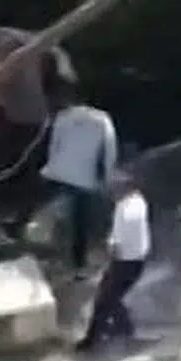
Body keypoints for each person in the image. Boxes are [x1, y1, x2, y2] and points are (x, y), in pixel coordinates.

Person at [38, 77, 119, 278]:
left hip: (58, 173)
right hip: (83, 179)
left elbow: (53, 148)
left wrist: (49, 170)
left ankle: (45, 249)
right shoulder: (102, 119)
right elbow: (110, 150)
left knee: (53, 209)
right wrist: (107, 177)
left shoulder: (62, 117)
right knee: (80, 222)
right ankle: (78, 264)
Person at [75, 171, 151, 352]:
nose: (112, 191)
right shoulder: (135, 201)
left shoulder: (128, 212)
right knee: (111, 296)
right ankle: (123, 328)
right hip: (134, 261)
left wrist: (110, 256)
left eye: (116, 187)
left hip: (126, 263)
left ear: (125, 188)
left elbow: (118, 244)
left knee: (103, 301)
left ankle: (91, 341)